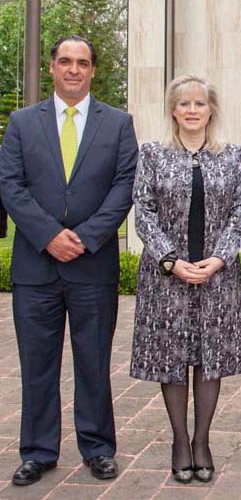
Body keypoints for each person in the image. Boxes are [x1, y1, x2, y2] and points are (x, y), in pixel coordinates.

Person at [0, 35, 137, 485]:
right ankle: (38, 451)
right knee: (37, 364)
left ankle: (98, 447)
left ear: (92, 70)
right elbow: (10, 185)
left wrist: (85, 237)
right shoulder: (22, 122)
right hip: (36, 266)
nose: (73, 69)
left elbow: (123, 188)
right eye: (65, 61)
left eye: (82, 63)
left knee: (94, 361)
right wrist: (48, 236)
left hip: (92, 265)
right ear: (53, 68)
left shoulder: (118, 124)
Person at [131, 75, 241, 483]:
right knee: (172, 359)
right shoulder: (153, 155)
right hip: (167, 277)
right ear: (173, 110)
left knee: (210, 358)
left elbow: (240, 210)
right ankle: (180, 440)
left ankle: (202, 440)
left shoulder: (231, 156)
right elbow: (142, 211)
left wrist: (219, 258)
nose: (193, 110)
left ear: (211, 109)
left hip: (216, 276)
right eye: (184, 104)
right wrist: (170, 260)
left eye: (200, 103)